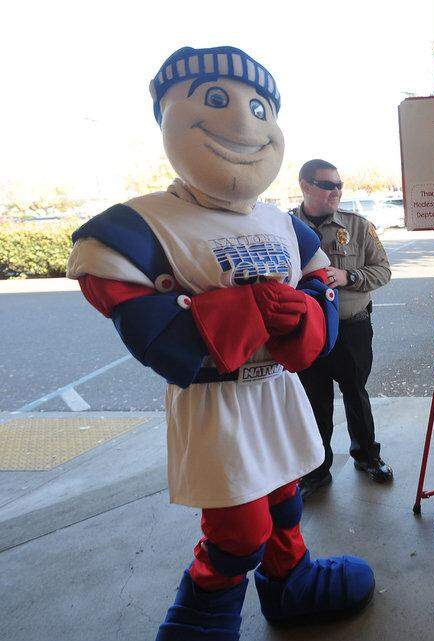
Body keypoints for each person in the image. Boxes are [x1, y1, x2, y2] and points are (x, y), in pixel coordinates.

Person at [66, 45, 374, 640]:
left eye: (259, 107)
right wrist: (247, 309)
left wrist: (301, 315)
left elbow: (323, 309)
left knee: (285, 497)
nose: (241, 121)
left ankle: (290, 583)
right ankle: (200, 619)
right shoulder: (135, 228)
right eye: (215, 100)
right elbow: (154, 333)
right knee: (237, 531)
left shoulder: (285, 224)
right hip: (216, 403)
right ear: (168, 116)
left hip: (278, 393)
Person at [290, 159, 393, 500]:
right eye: (327, 184)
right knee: (315, 401)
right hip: (306, 332)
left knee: (356, 392)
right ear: (305, 186)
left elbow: (383, 271)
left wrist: (349, 277)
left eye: (339, 185)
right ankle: (317, 470)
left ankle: (367, 456)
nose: (336, 191)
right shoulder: (284, 227)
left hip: (352, 329)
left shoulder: (358, 226)